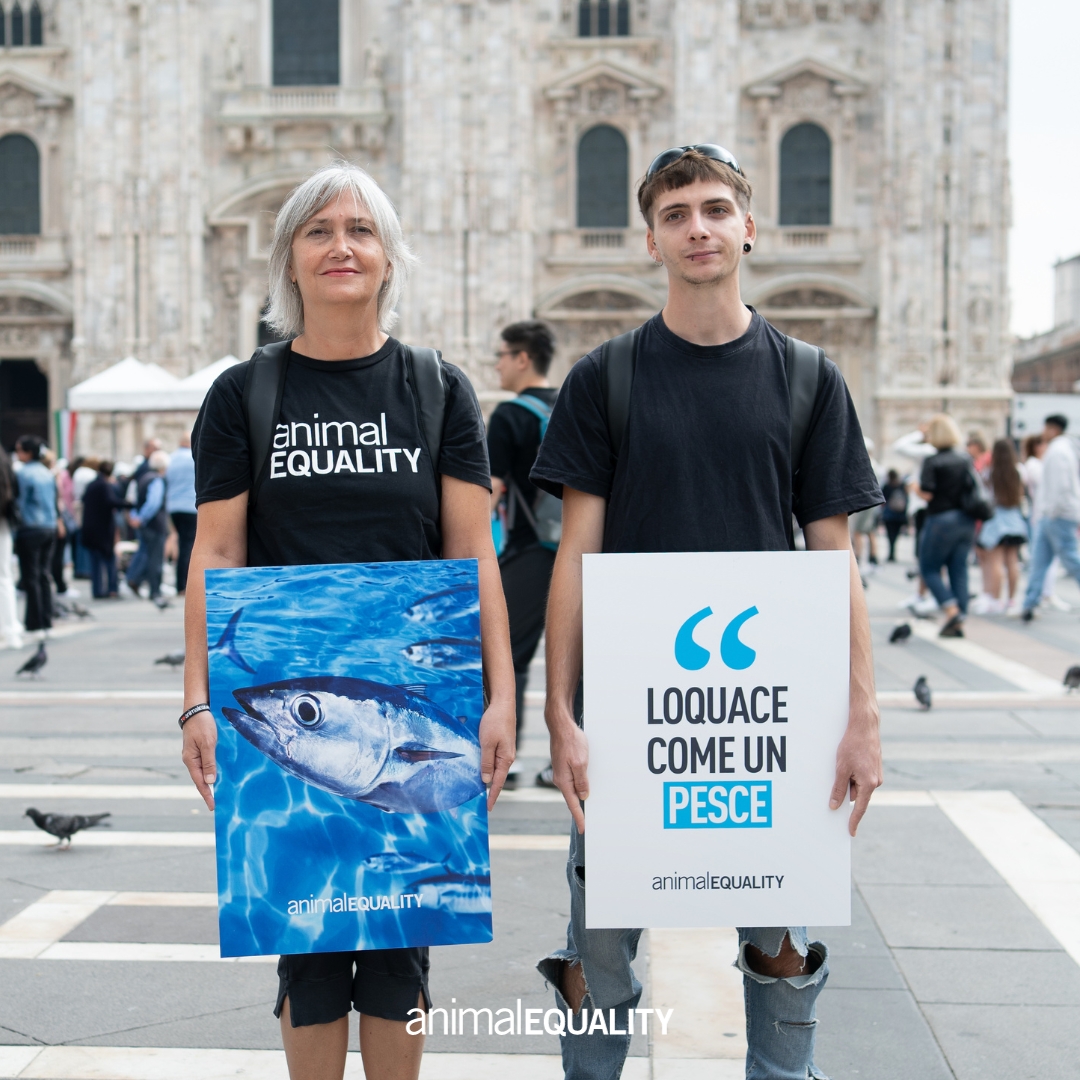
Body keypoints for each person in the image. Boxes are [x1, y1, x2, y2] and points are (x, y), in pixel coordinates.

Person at [529, 145, 883, 1080]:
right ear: (651, 239)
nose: (699, 228)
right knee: (601, 950)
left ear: (747, 227)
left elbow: (835, 559)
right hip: (629, 712)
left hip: (766, 713)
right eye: (677, 214)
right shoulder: (605, 378)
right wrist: (558, 710)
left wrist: (863, 713)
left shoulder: (809, 378)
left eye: (716, 210)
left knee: (779, 947)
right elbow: (576, 555)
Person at [180, 162, 516, 1080]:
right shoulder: (244, 393)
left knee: (402, 948)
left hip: (414, 694)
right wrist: (198, 700)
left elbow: (472, 552)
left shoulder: (436, 388)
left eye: (361, 230)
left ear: (389, 256)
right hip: (289, 698)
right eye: (319, 230)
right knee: (308, 948)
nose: (342, 246)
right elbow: (215, 552)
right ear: (288, 258)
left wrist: (499, 697)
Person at [487, 320, 560, 789]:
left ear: (522, 358)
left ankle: (506, 759)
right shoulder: (573, 405)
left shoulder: (510, 415)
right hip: (579, 550)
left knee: (508, 653)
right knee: (578, 663)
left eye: (501, 355)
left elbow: (491, 490)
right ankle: (564, 763)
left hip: (530, 550)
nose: (496, 365)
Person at [915, 414, 976, 638]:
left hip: (940, 519)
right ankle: (960, 619)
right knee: (959, 569)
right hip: (965, 520)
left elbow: (928, 493)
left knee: (928, 568)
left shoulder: (933, 461)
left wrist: (914, 488)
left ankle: (951, 610)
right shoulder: (965, 459)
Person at [1021, 414, 1080, 621]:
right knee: (1040, 560)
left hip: (1057, 515)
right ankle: (1030, 602)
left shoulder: (1058, 451)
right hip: (1053, 514)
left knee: (1069, 559)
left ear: (1053, 429)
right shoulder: (1063, 449)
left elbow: (1060, 487)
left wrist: (1052, 511)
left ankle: (1030, 602)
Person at [972, 439, 1028, 615]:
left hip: (995, 520)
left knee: (994, 562)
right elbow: (1021, 493)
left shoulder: (990, 472)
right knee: (1012, 562)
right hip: (1014, 519)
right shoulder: (1019, 470)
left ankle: (994, 598)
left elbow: (984, 494)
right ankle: (1011, 600)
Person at [13, 435, 57, 639]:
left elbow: (20, 503)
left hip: (31, 527)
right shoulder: (46, 472)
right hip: (49, 526)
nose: (17, 454)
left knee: (30, 576)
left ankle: (35, 622)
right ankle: (47, 619)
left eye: (19, 450)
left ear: (28, 452)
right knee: (44, 575)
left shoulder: (23, 473)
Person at [126, 449, 170, 604]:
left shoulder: (143, 478)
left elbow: (135, 500)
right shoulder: (157, 479)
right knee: (155, 558)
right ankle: (154, 590)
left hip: (145, 524)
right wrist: (142, 517)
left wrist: (136, 517)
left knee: (146, 553)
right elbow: (153, 503)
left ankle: (135, 579)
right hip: (154, 524)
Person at [81, 462, 128, 599]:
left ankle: (98, 590)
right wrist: (129, 504)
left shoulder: (92, 484)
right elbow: (111, 502)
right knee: (109, 560)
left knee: (95, 562)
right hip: (102, 529)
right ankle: (112, 589)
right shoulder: (104, 485)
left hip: (90, 528)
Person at [165, 432, 197, 594]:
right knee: (188, 545)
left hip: (173, 507)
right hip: (189, 506)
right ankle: (184, 584)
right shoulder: (193, 457)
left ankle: (179, 583)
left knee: (180, 543)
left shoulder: (171, 459)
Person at [0, 445, 22, 649]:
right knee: (5, 577)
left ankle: (9, 628)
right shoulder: (5, 460)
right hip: (5, 521)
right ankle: (10, 628)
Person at [880, 468, 908, 563]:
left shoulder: (887, 486)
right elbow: (906, 500)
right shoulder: (902, 485)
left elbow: (882, 499)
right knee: (896, 535)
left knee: (890, 535)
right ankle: (893, 552)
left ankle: (891, 553)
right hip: (899, 515)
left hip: (889, 515)